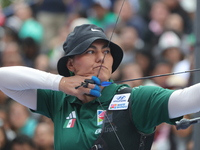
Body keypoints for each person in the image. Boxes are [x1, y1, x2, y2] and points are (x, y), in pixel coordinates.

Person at [0, 24, 200, 150]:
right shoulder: (59, 100)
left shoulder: (136, 100)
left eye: (106, 51)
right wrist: (59, 83)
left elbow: (189, 99)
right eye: (89, 51)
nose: (101, 57)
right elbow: (3, 78)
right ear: (71, 64)